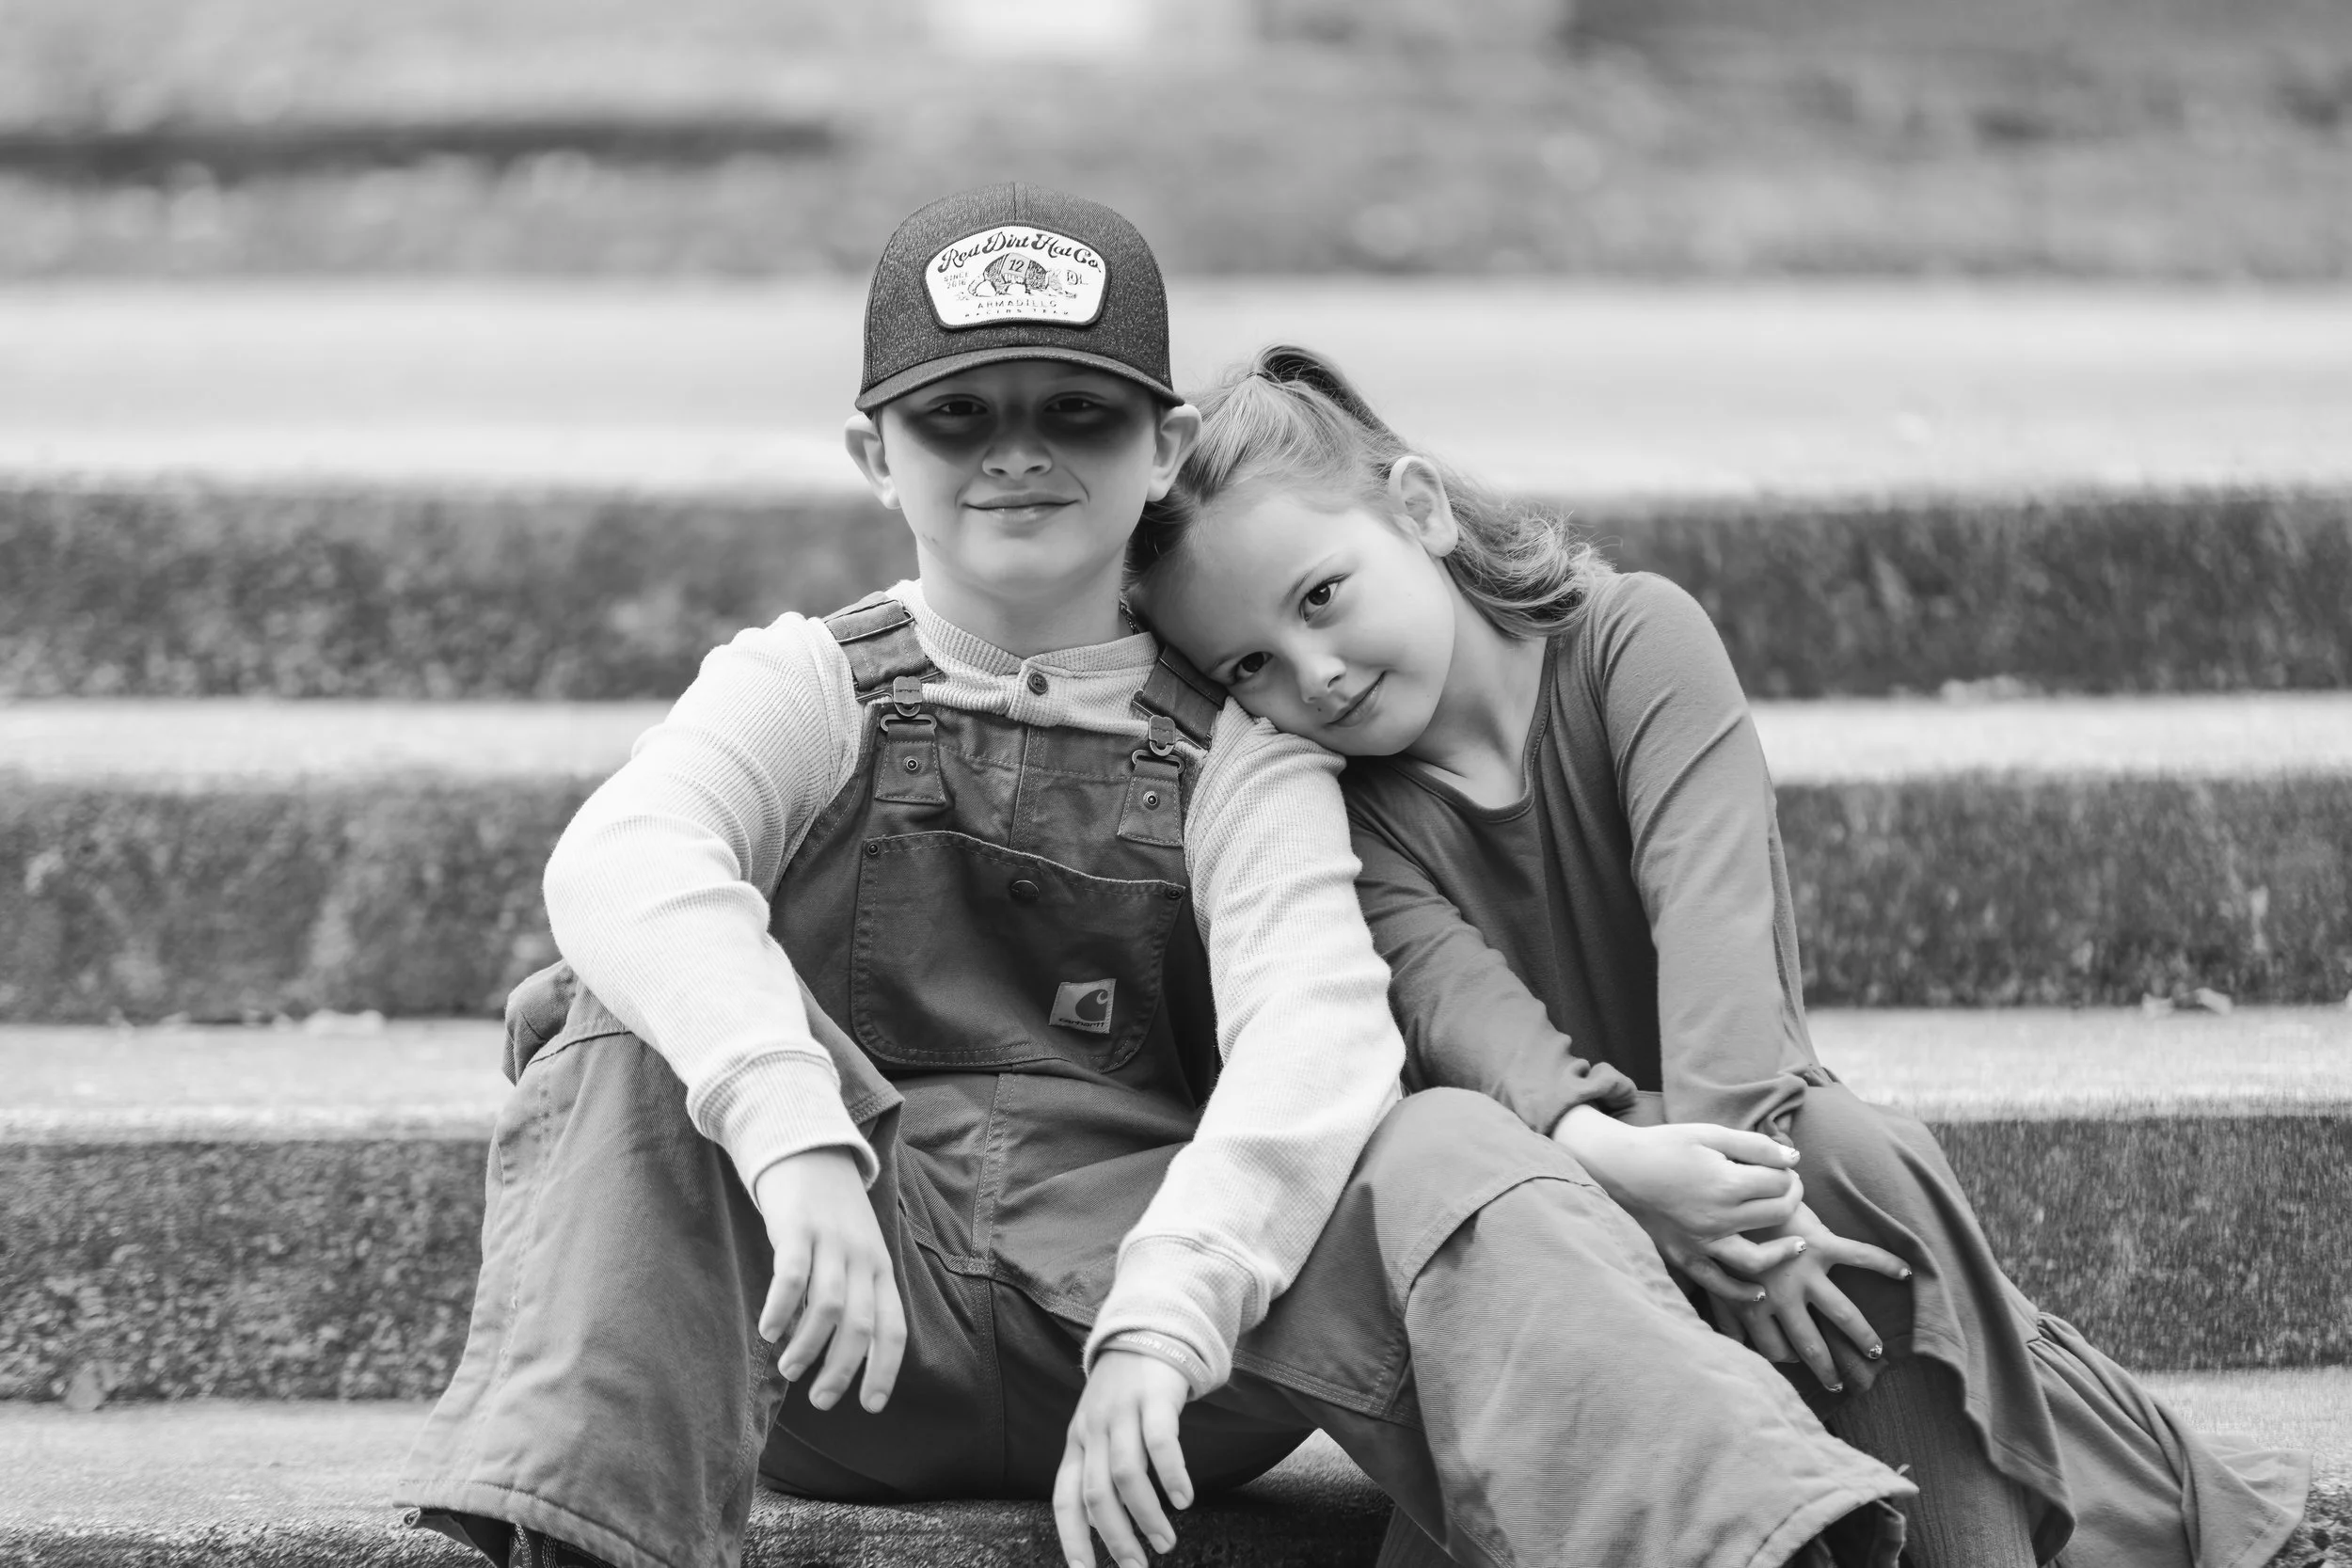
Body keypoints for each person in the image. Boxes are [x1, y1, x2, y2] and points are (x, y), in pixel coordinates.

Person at [396, 187, 1916, 1568]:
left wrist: (1168, 1311)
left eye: (1078, 411)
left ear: (1165, 447)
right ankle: (589, 1543)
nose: (1017, 451)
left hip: (1172, 1349)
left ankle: (1738, 1539)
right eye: (955, 415)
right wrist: (792, 1142)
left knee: (1446, 1142)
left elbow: (1318, 1031)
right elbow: (624, 852)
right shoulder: (809, 681)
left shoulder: (1248, 747)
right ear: (876, 456)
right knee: (609, 1013)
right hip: (837, 1315)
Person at [1123, 342, 2313, 1568]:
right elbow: (1474, 1027)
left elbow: (1722, 964)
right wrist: (1648, 1180)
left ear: (1418, 509)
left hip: (1770, 1169)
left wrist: (1736, 1200)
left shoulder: (1636, 639)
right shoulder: (1346, 817)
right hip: (1571, 1224)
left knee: (1845, 1149)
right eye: (1247, 666)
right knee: (1609, 1216)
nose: (1311, 672)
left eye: (1320, 595)